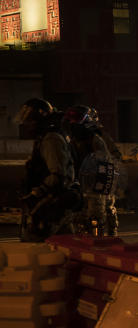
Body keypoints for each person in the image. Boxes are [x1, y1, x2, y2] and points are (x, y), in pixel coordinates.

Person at [17, 98, 78, 241]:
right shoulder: (46, 137)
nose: (26, 125)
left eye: (30, 120)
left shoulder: (51, 139)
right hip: (48, 204)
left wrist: (36, 194)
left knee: (43, 250)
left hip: (50, 205)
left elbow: (58, 175)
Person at [62, 105, 121, 237]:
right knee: (78, 216)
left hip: (97, 181)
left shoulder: (97, 138)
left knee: (100, 213)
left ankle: (107, 238)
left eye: (75, 119)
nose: (72, 123)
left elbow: (110, 159)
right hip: (79, 181)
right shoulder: (70, 139)